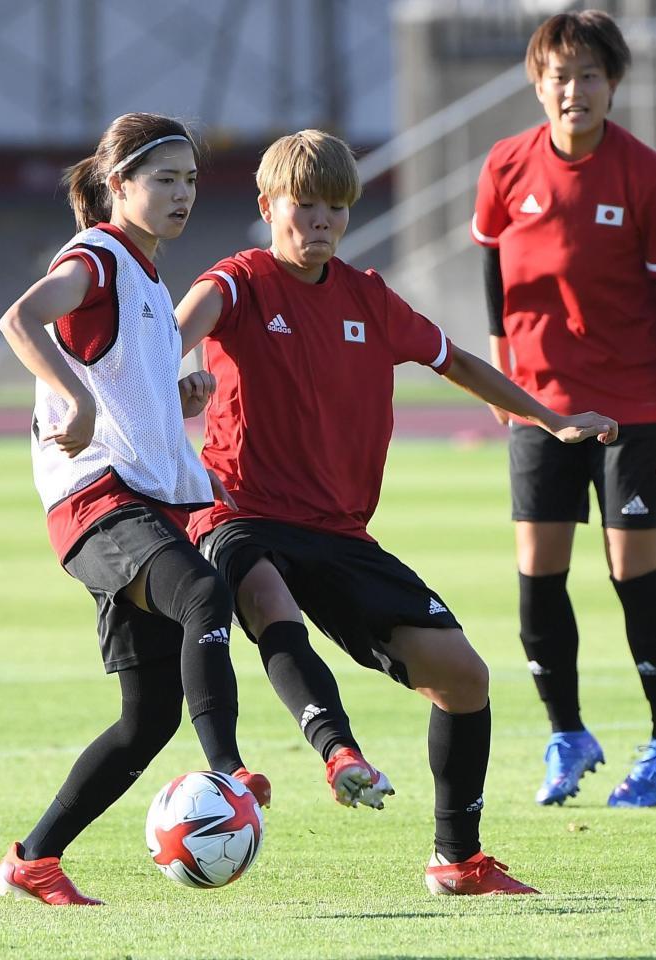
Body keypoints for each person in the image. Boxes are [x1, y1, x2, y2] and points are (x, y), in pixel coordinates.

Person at [175, 128, 618, 896]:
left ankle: (457, 860)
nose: (320, 222)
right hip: (239, 510)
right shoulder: (239, 281)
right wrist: (177, 371)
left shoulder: (366, 298)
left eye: (335, 209)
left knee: (464, 677)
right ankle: (337, 751)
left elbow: (460, 360)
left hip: (339, 531)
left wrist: (548, 419)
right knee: (266, 596)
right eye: (304, 205)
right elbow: (175, 330)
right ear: (267, 206)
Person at [0, 112, 269, 907]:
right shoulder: (99, 257)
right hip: (94, 501)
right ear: (119, 186)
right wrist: (71, 398)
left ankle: (33, 861)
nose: (181, 193)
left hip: (139, 502)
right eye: (163, 179)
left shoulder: (146, 279)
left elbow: (122, 387)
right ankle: (228, 770)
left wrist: (171, 394)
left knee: (147, 721)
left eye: (189, 180)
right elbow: (21, 318)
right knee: (202, 592)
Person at [472, 11, 656, 808]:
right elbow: (490, 264)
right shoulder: (505, 165)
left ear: (612, 84)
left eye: (587, 75)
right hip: (539, 407)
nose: (571, 90)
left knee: (632, 578)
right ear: (535, 82)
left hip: (634, 404)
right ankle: (566, 734)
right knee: (537, 576)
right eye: (558, 75)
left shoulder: (642, 174)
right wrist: (503, 378)